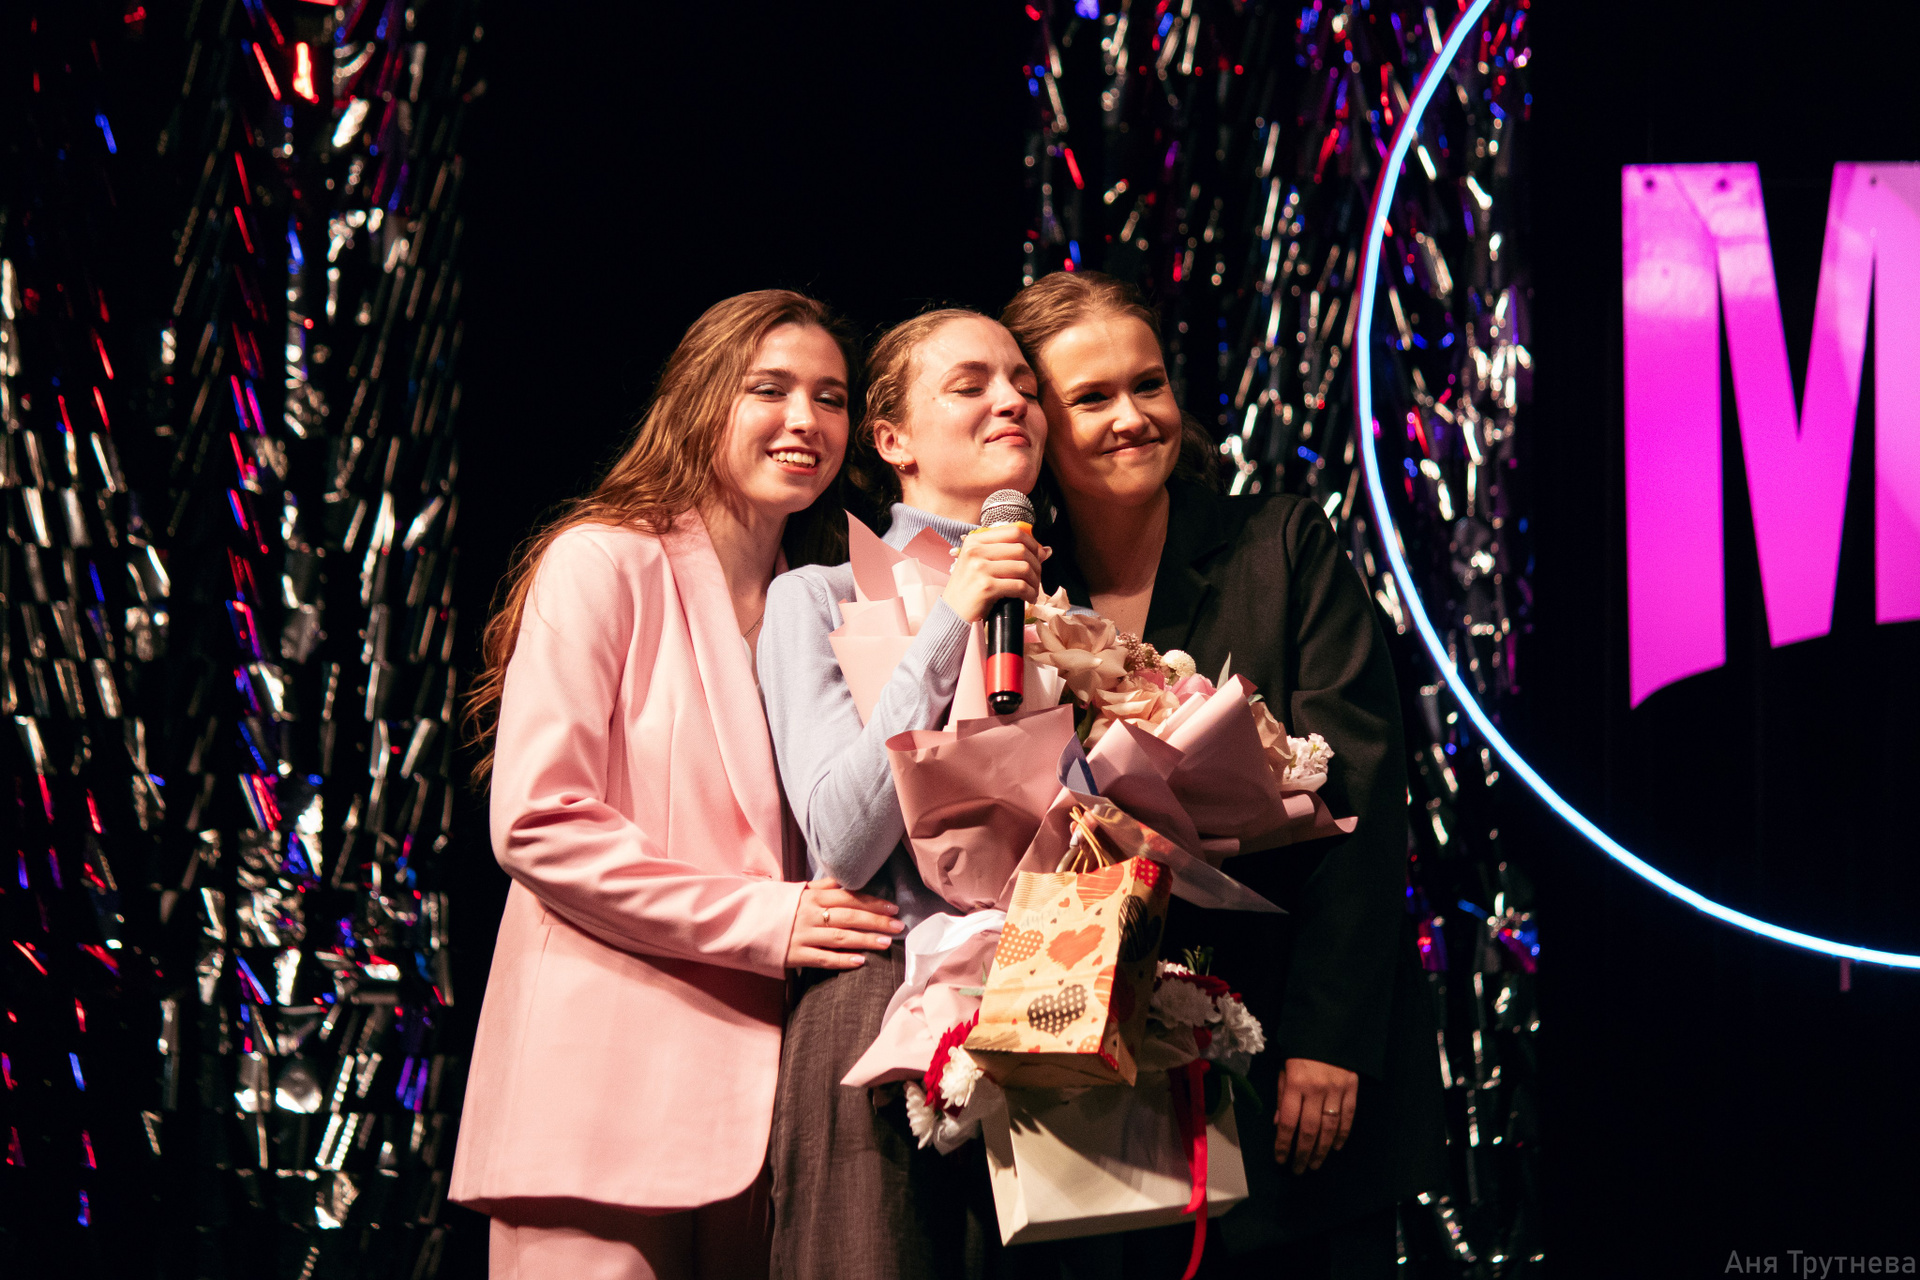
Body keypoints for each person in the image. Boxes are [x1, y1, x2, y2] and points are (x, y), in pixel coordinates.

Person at [451, 290, 906, 1280]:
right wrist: (767, 918)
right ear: (699, 400)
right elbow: (538, 821)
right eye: (769, 389)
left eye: (830, 397)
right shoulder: (603, 560)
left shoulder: (832, 607)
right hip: (598, 1097)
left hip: (769, 1121)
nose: (805, 419)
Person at [1000, 271, 1447, 1278]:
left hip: (1285, 1054)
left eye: (1148, 384)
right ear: (1035, 427)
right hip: (1093, 1070)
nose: (1132, 417)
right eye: (1092, 397)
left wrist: (1330, 1037)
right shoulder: (1016, 596)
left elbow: (1362, 799)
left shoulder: (1280, 543)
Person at [756, 309, 1050, 1280]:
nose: (1012, 401)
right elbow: (842, 839)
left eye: (1024, 385)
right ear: (891, 440)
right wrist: (952, 617)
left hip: (1041, 1001)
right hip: (873, 996)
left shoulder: (1064, 611)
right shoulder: (817, 596)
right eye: (970, 385)